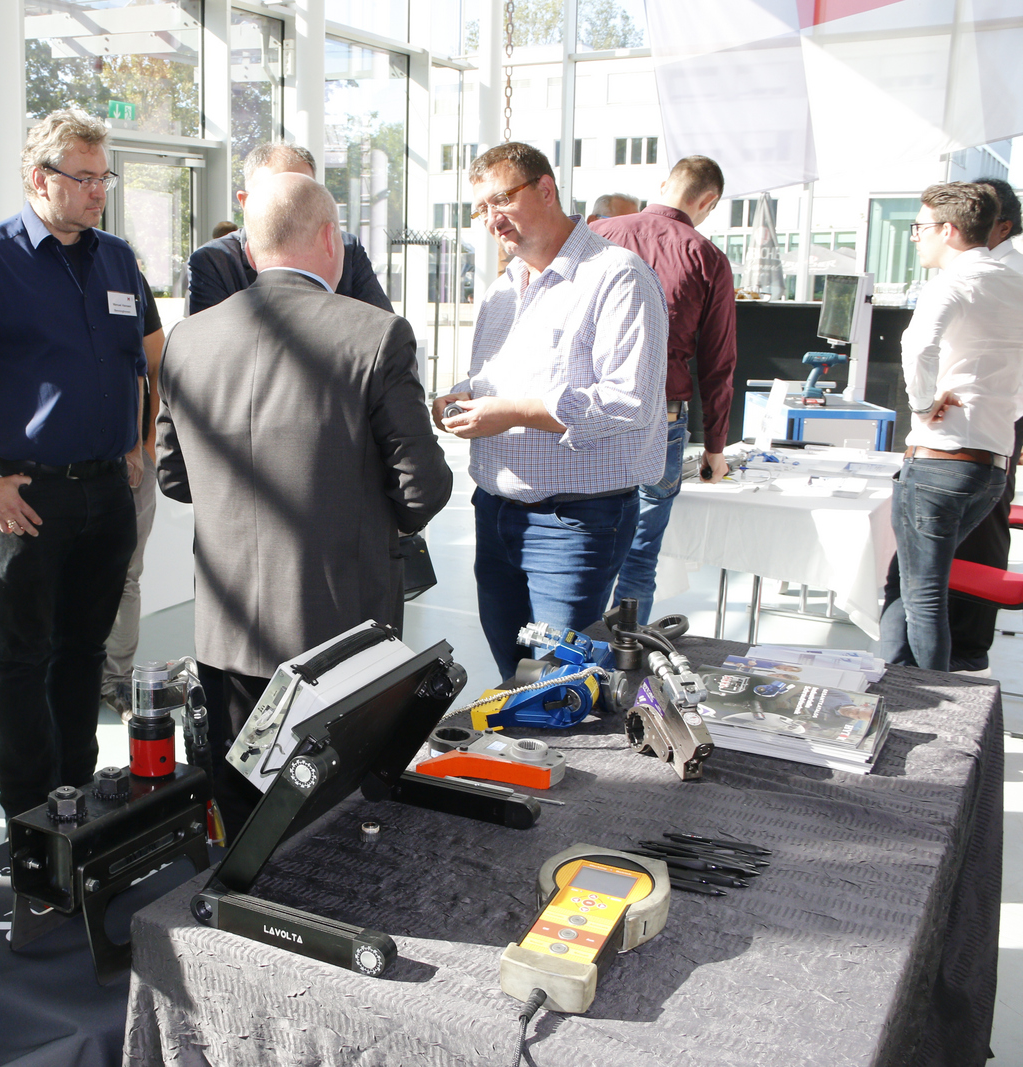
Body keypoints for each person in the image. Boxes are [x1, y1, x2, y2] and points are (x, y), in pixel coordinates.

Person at [158, 172, 452, 832]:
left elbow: (175, 477)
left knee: (244, 812)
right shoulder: (375, 334)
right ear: (330, 238)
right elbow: (423, 487)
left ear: (248, 249)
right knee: (331, 818)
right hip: (341, 634)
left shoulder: (188, 338)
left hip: (228, 629)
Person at [0, 108, 143, 820]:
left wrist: (137, 443)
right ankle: (26, 813)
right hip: (28, 494)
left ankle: (74, 792)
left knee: (85, 652)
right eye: (84, 177)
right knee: (23, 657)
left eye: (104, 177)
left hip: (108, 492)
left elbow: (142, 359)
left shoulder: (117, 259)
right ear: (40, 178)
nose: (98, 191)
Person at [433, 142, 667, 680]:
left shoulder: (617, 275)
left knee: (560, 684)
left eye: (501, 200)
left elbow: (627, 402)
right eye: (481, 208)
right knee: (515, 674)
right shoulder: (502, 289)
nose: (492, 219)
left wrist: (512, 411)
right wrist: (461, 396)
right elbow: (498, 379)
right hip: (495, 513)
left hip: (573, 522)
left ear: (546, 189)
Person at [876, 182, 1023, 672]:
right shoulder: (1014, 282)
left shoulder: (953, 283)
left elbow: (918, 346)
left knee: (922, 593)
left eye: (919, 227)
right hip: (991, 463)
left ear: (949, 230)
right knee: (907, 582)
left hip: (942, 459)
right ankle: (895, 681)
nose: (915, 236)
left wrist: (922, 405)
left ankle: (933, 695)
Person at [592, 155, 737, 622]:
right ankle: (625, 655)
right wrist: (715, 447)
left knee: (584, 541)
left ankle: (572, 652)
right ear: (708, 201)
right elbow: (718, 361)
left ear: (663, 186)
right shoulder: (707, 257)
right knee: (639, 554)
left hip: (591, 411)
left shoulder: (598, 235)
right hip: (661, 416)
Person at [948, 177, 1023, 674]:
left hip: (997, 415)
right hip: (992, 414)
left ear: (1002, 225)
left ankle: (969, 646)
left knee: (982, 521)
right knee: (976, 520)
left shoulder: (1006, 272)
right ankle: (963, 641)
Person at [186, 142, 392, 316]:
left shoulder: (346, 248)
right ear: (244, 202)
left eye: (303, 194)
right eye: (273, 195)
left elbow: (384, 332)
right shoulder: (215, 261)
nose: (290, 206)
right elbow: (210, 342)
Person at [101, 271, 165, 718]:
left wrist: (148, 444)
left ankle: (116, 680)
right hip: (63, 465)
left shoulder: (124, 274)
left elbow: (156, 365)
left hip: (132, 463)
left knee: (126, 575)